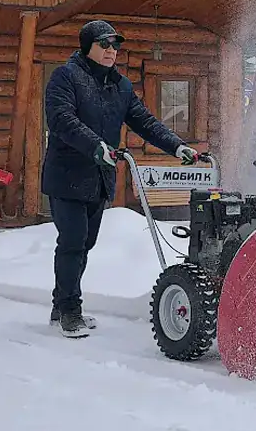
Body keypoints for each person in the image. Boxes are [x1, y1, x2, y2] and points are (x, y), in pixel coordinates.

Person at [41, 19, 199, 338]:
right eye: (104, 44)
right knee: (72, 242)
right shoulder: (65, 77)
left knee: (85, 243)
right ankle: (70, 311)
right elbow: (62, 120)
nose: (111, 50)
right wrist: (95, 146)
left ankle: (61, 306)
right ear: (87, 47)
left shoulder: (121, 86)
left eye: (115, 45)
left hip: (99, 179)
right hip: (67, 176)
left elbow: (145, 122)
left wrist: (176, 146)